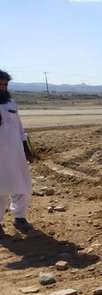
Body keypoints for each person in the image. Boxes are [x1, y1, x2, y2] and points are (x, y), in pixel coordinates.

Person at [0, 69, 34, 237]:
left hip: (16, 153)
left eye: (5, 85)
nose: (2, 88)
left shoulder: (11, 103)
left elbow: (20, 128)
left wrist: (27, 149)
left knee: (22, 186)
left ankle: (20, 217)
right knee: (1, 190)